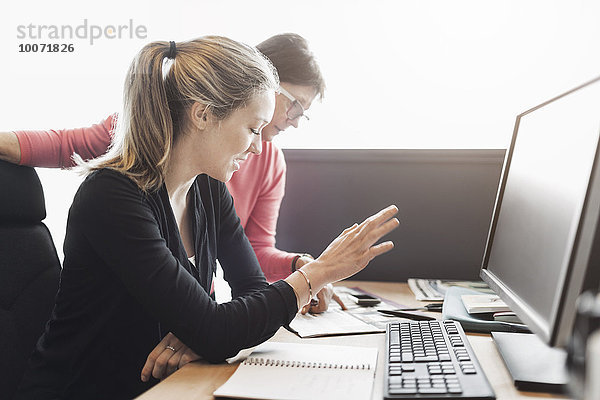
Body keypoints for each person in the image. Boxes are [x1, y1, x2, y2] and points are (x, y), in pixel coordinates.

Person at [14, 36, 399, 400]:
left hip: (163, 386)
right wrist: (317, 274)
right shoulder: (111, 197)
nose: (258, 146)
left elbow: (249, 291)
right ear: (203, 114)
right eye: (252, 128)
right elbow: (218, 330)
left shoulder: (209, 191)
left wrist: (200, 331)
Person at [0, 33, 340, 314]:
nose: (295, 120)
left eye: (304, 114)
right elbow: (65, 146)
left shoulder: (239, 176)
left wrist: (298, 267)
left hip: (187, 315)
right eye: (296, 105)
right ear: (263, 80)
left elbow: (254, 252)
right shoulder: (136, 153)